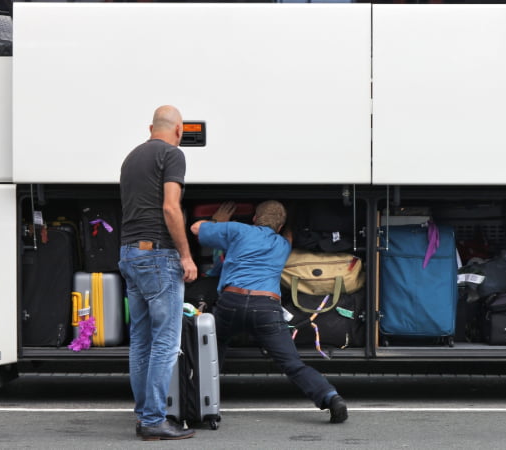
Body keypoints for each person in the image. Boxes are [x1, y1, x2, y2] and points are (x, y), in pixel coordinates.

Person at [190, 200, 348, 424]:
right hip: (266, 307)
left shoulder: (238, 230)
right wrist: (289, 220)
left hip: (231, 302)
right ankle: (330, 397)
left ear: (254, 218)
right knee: (292, 364)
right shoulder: (283, 245)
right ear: (281, 227)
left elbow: (195, 229)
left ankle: (199, 402)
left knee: (212, 354)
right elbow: (290, 237)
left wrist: (218, 222)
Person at [118, 105, 197, 441]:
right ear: (178, 130)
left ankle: (144, 415)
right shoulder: (171, 155)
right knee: (165, 341)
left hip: (129, 253)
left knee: (141, 340)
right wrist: (186, 255)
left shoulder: (131, 157)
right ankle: (153, 420)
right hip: (158, 256)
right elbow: (169, 206)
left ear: (152, 127)